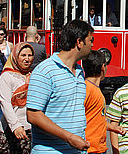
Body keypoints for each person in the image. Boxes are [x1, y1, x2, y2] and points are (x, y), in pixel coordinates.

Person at [26, 20, 93, 153]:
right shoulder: (45, 71)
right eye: (90, 40)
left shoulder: (79, 71)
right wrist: (69, 138)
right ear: (79, 42)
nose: (92, 45)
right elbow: (33, 115)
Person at [0, 42, 35, 154]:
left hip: (30, 129)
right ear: (16, 56)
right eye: (23, 55)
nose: (27, 59)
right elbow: (5, 103)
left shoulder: (32, 76)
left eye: (29, 55)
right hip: (11, 130)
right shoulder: (7, 76)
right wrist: (15, 125)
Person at [83, 50, 125, 154]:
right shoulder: (88, 89)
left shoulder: (93, 89)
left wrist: (112, 127)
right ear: (103, 67)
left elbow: (95, 119)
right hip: (90, 148)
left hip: (98, 147)